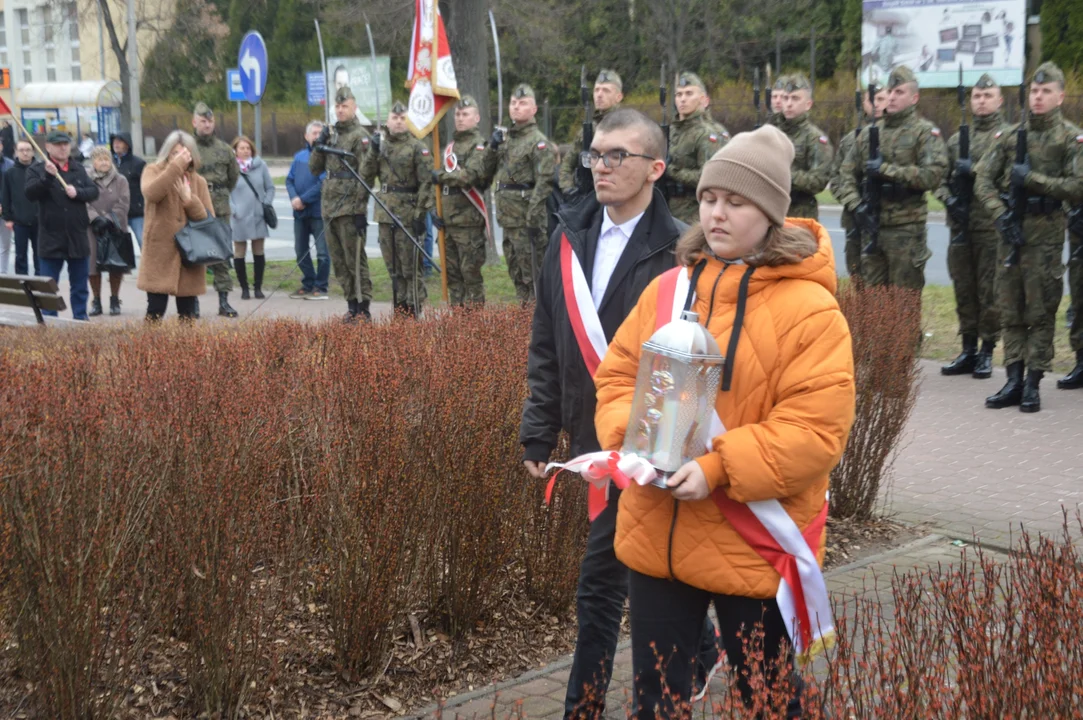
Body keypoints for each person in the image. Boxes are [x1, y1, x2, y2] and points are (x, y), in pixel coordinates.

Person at [592, 125, 855, 718]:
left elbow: (814, 434)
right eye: (710, 198)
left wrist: (716, 469)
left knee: (770, 699)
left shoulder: (811, 311)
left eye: (736, 202)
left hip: (752, 539)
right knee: (656, 699)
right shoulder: (668, 289)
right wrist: (628, 441)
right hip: (657, 532)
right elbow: (616, 379)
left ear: (771, 214)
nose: (716, 213)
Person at [522, 108, 715, 718]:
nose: (600, 167)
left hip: (651, 445)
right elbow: (548, 343)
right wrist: (536, 429)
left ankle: (582, 705)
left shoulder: (682, 252)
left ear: (655, 168)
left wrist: (671, 444)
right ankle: (704, 647)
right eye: (595, 155)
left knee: (600, 583)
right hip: (589, 437)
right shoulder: (567, 237)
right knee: (630, 569)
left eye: (616, 157)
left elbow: (696, 356)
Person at [974, 62, 1083, 412]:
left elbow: (1078, 185)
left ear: (1060, 96)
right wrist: (1000, 214)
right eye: (1034, 91)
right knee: (1010, 308)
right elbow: (982, 180)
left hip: (1046, 235)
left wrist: (1032, 179)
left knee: (1040, 310)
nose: (1038, 97)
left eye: (1046, 91)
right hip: (1010, 232)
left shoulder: (1071, 138)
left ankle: (1034, 382)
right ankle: (1013, 379)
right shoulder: (1008, 137)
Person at [837, 65, 948, 297]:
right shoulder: (869, 134)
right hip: (872, 227)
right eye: (891, 92)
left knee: (903, 304)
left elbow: (933, 175)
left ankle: (906, 336)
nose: (892, 97)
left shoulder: (924, 133)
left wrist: (887, 170)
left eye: (900, 93)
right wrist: (856, 206)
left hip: (906, 229)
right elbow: (845, 173)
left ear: (914, 98)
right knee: (873, 305)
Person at [935, 74, 1006, 380]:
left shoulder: (1007, 138)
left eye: (988, 95)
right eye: (977, 96)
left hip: (990, 226)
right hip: (961, 225)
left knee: (989, 291)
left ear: (999, 100)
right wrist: (949, 200)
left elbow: (1006, 181)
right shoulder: (954, 142)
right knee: (964, 289)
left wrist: (974, 173)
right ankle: (967, 349)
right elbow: (937, 177)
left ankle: (987, 351)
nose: (981, 101)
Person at [482, 84, 558, 304]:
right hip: (508, 220)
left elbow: (544, 182)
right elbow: (485, 172)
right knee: (516, 273)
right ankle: (522, 318)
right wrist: (492, 147)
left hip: (527, 220)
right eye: (513, 103)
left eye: (523, 103)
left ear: (534, 109)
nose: (517, 107)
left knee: (533, 276)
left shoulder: (538, 141)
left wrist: (533, 216)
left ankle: (535, 323)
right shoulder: (506, 140)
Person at [360, 101, 433, 317]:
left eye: (403, 118)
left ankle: (414, 310)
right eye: (395, 117)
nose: (399, 121)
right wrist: (373, 151)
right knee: (394, 269)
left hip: (409, 215)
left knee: (411, 268)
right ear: (387, 122)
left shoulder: (417, 147)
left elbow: (426, 183)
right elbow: (365, 175)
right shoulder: (380, 147)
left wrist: (421, 214)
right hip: (385, 215)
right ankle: (400, 310)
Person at [310, 85, 373, 322]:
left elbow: (365, 176)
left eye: (344, 106)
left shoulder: (360, 136)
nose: (340, 110)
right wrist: (319, 144)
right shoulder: (331, 135)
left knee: (355, 260)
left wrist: (359, 210)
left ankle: (363, 307)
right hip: (330, 208)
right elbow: (314, 168)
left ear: (354, 107)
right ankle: (351, 306)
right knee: (338, 261)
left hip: (350, 208)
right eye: (337, 106)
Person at [137, 130, 214, 321]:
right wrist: (175, 167)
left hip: (189, 254)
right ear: (167, 153)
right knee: (155, 310)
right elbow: (152, 194)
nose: (179, 158)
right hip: (159, 252)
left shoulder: (199, 181)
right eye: (175, 153)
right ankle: (147, 349)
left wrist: (190, 201)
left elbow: (207, 220)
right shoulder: (152, 171)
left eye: (184, 153)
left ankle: (184, 350)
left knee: (188, 313)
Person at [23, 131, 99, 320]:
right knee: (49, 288)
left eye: (66, 144)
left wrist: (79, 192)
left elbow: (93, 191)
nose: (63, 147)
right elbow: (31, 193)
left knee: (80, 286)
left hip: (77, 237)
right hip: (51, 238)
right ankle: (50, 323)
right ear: (48, 147)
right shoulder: (37, 169)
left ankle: (80, 320)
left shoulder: (78, 168)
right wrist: (48, 178)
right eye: (58, 145)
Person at [432, 96, 494, 306]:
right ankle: (457, 323)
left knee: (470, 277)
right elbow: (439, 186)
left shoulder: (480, 147)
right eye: (457, 114)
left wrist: (440, 175)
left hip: (468, 224)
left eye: (465, 114)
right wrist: (434, 208)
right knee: (452, 277)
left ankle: (474, 327)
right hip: (448, 223)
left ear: (476, 118)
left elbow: (470, 176)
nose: (460, 118)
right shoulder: (448, 148)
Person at [833, 84, 887, 282]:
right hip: (855, 219)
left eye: (881, 99)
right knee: (858, 277)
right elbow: (836, 180)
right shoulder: (850, 140)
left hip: (888, 219)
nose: (876, 105)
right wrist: (855, 204)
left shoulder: (894, 136)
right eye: (871, 100)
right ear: (863, 103)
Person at [192, 102, 239, 318]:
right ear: (194, 122)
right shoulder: (187, 148)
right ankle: (192, 302)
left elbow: (232, 178)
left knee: (220, 254)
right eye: (203, 121)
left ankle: (224, 301)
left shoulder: (224, 149)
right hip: (193, 207)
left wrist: (217, 194)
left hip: (219, 208)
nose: (207, 124)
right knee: (193, 255)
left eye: (210, 121)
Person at [663, 72, 728, 225]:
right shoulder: (672, 131)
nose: (682, 99)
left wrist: (672, 171)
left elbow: (710, 178)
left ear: (703, 100)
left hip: (695, 213)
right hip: (670, 208)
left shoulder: (707, 134)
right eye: (679, 95)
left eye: (689, 94)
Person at [558, 69, 624, 198]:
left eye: (606, 90)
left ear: (619, 97)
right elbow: (567, 164)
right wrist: (569, 190)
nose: (599, 95)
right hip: (586, 197)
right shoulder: (587, 129)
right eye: (596, 90)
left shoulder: (626, 126)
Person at [777, 74, 833, 220]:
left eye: (795, 98)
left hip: (801, 216)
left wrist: (785, 175)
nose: (789, 103)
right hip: (773, 212)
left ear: (808, 104)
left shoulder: (815, 138)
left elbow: (819, 181)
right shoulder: (772, 132)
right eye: (785, 98)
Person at [286, 120, 330, 300]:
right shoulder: (299, 157)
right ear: (306, 136)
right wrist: (294, 198)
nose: (317, 136)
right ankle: (308, 282)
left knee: (322, 253)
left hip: (318, 212)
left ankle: (321, 286)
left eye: (321, 133)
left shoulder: (327, 158)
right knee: (300, 250)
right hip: (300, 213)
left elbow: (323, 183)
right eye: (314, 133)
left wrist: (303, 199)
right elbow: (289, 180)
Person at [86, 145, 131, 316]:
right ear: (93, 162)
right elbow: (83, 201)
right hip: (93, 229)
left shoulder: (121, 180)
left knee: (115, 265)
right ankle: (96, 300)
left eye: (107, 159)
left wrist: (109, 219)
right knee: (93, 266)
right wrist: (95, 218)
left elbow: (124, 202)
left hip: (115, 228)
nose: (104, 162)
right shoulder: (86, 179)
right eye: (100, 159)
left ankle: (114, 299)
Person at [229, 135, 275, 300]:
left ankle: (258, 287)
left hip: (258, 215)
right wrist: (233, 209)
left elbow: (270, 187)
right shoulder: (231, 167)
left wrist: (266, 203)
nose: (245, 151)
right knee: (239, 252)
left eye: (248, 148)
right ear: (235, 150)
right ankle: (244, 289)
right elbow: (226, 191)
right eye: (242, 148)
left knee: (259, 251)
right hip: (239, 217)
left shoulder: (260, 165)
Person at [2, 140, 40, 275]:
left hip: (39, 221)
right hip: (19, 221)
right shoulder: (10, 173)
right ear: (16, 152)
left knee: (39, 256)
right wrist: (7, 218)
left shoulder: (40, 171)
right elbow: (5, 196)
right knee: (21, 256)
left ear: (33, 151)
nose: (25, 153)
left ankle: (40, 285)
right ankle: (23, 284)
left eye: (28, 150)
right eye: (22, 150)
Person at [111, 132, 146, 248]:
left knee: (144, 244)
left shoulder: (138, 163)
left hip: (136, 212)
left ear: (127, 144)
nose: (116, 144)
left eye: (120, 141)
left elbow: (147, 186)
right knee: (118, 249)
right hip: (116, 212)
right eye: (114, 141)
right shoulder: (109, 163)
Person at [0, 151, 12, 273]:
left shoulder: (9, 165)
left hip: (5, 210)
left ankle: (2, 275)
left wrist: (6, 206)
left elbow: (11, 188)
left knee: (5, 245)